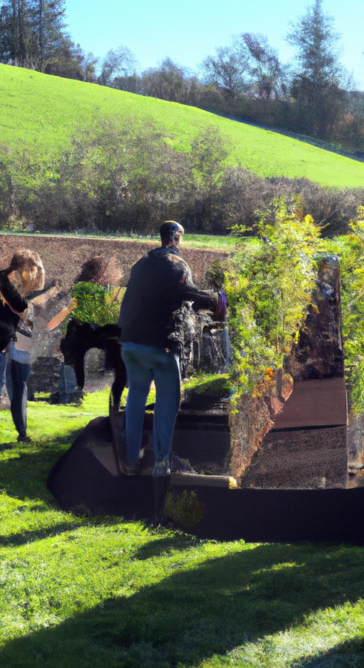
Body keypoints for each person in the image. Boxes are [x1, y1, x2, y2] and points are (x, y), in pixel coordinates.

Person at [117, 221, 219, 521]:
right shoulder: (176, 264)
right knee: (166, 408)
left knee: (135, 399)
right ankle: (161, 469)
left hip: (130, 344)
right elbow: (187, 293)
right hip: (161, 347)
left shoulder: (142, 262)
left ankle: (131, 462)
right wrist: (215, 299)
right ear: (176, 237)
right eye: (181, 237)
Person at [0, 250, 45, 445]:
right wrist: (11, 269)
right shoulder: (10, 300)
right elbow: (3, 284)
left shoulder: (16, 302)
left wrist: (9, 270)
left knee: (0, 391)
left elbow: (5, 284)